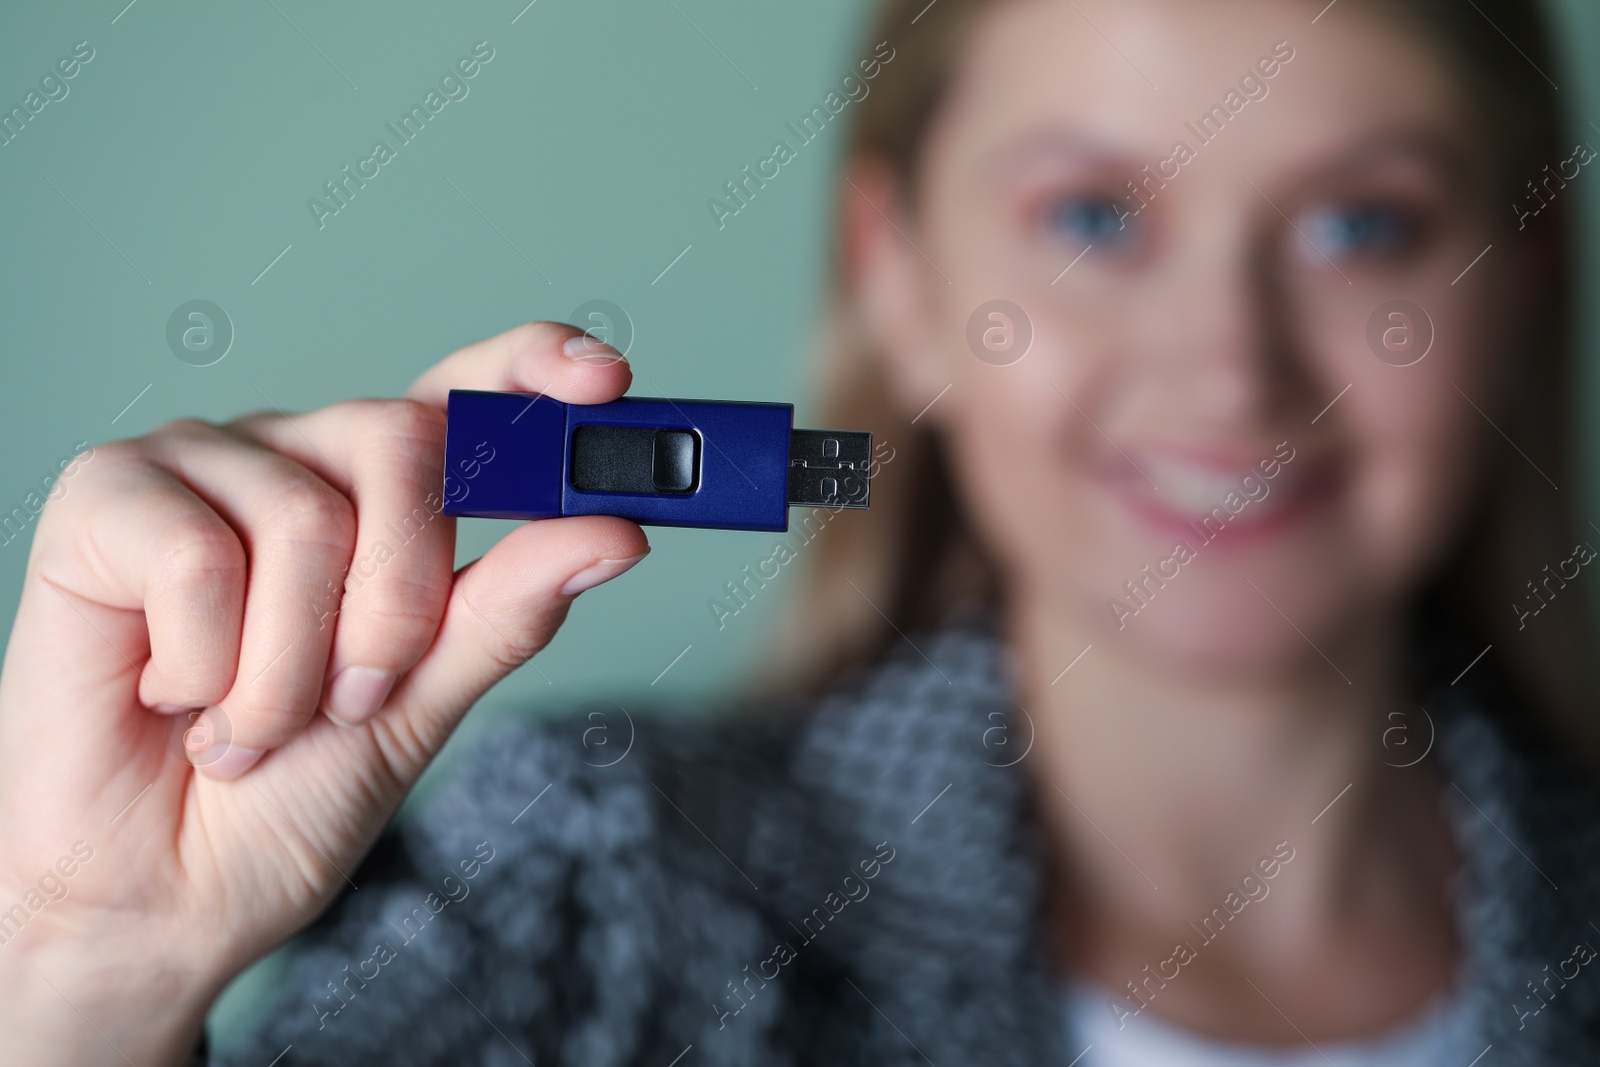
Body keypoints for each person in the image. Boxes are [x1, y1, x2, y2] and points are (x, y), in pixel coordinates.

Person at [2, 0, 1597, 1063]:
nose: (1230, 366)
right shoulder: (592, 902)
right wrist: (86, 982)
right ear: (895, 278)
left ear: (1516, 286)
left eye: (1360, 224)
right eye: (1096, 219)